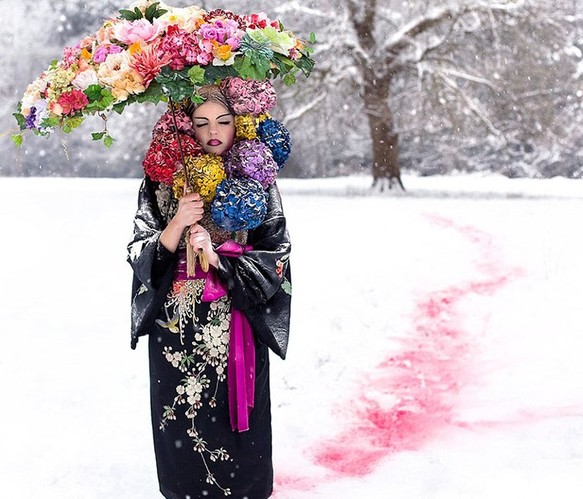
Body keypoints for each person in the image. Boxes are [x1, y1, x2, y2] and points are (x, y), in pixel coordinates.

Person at [127, 84, 292, 499]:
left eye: (223, 121)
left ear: (240, 123)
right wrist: (177, 223)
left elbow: (277, 255)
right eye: (201, 123)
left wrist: (219, 259)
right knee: (181, 414)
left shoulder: (257, 178)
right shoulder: (162, 179)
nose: (213, 131)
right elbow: (137, 249)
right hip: (176, 320)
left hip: (235, 314)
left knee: (238, 414)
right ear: (187, 128)